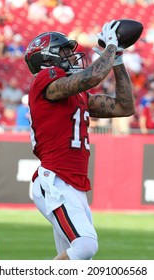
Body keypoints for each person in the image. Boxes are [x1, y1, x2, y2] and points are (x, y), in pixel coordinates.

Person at [24, 20, 135, 260]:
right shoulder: (45, 82)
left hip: (75, 185)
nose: (72, 56)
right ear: (47, 59)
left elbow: (124, 107)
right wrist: (110, 49)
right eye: (64, 52)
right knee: (85, 246)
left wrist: (117, 61)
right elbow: (90, 78)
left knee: (79, 264)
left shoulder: (77, 95)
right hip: (55, 180)